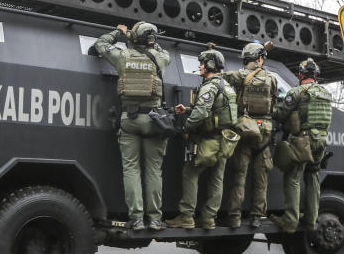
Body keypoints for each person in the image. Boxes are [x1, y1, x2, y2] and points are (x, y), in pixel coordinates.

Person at [92, 22, 171, 231]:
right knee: (154, 171)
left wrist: (119, 32)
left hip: (130, 120)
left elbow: (101, 44)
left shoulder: (123, 56)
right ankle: (154, 219)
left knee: (131, 169)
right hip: (155, 121)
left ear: (134, 38)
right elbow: (163, 51)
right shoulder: (161, 59)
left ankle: (136, 219)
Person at [165, 47, 237, 230]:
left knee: (190, 172)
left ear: (211, 64)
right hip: (224, 140)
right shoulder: (226, 85)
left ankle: (187, 216)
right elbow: (216, 110)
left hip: (208, 141)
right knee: (217, 179)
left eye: (202, 63)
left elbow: (202, 112)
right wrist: (188, 109)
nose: (200, 66)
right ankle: (208, 218)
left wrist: (186, 126)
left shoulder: (209, 85)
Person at [270, 58, 332, 233]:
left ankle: (290, 221)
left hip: (304, 140)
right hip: (322, 140)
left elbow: (281, 113)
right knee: (312, 176)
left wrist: (271, 109)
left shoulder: (297, 92)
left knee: (292, 177)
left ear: (301, 74)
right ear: (316, 75)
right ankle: (311, 220)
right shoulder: (325, 93)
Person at [222, 42, 277, 228]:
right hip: (264, 133)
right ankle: (256, 217)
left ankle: (234, 217)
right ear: (260, 58)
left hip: (245, 130)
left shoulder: (240, 75)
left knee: (239, 176)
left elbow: (221, 79)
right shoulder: (271, 78)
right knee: (261, 177)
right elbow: (275, 102)